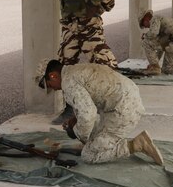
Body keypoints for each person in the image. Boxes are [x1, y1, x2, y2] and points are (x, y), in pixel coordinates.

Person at [35, 59, 164, 166]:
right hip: (125, 100)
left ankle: (137, 145)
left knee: (88, 155)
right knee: (92, 136)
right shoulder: (74, 70)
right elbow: (88, 104)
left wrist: (75, 132)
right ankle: (100, 142)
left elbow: (88, 115)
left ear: (53, 75)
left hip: (124, 110)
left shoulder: (68, 83)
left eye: (50, 85)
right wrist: (75, 119)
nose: (54, 89)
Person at [53, 0, 118, 124]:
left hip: (90, 25)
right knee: (65, 66)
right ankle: (70, 108)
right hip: (71, 27)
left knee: (104, 64)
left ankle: (113, 102)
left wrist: (98, 10)